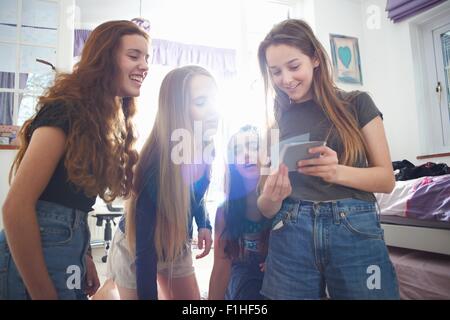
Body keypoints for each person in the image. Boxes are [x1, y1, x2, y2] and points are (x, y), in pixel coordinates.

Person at [0, 20, 150, 299]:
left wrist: (84, 257)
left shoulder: (101, 122)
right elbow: (16, 208)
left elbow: (69, 201)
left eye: (146, 58)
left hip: (71, 246)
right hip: (37, 251)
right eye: (134, 56)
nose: (144, 65)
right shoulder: (66, 111)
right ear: (105, 59)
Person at [256, 19, 400, 299]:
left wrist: (337, 172)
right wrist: (273, 197)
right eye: (275, 72)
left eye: (294, 66)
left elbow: (386, 179)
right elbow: (264, 206)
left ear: (315, 59)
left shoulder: (358, 103)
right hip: (290, 227)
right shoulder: (275, 125)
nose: (285, 79)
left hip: (353, 226)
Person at [105, 65, 219, 300]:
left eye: (214, 101)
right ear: (177, 110)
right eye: (200, 103)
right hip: (137, 248)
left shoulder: (206, 146)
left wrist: (203, 223)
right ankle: (107, 290)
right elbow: (145, 255)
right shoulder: (154, 167)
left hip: (176, 245)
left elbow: (194, 192)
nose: (213, 111)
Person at [209, 125, 270, 300]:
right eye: (237, 150)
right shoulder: (224, 211)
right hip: (242, 282)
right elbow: (220, 268)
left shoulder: (284, 201)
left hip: (278, 276)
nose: (246, 154)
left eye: (253, 146)